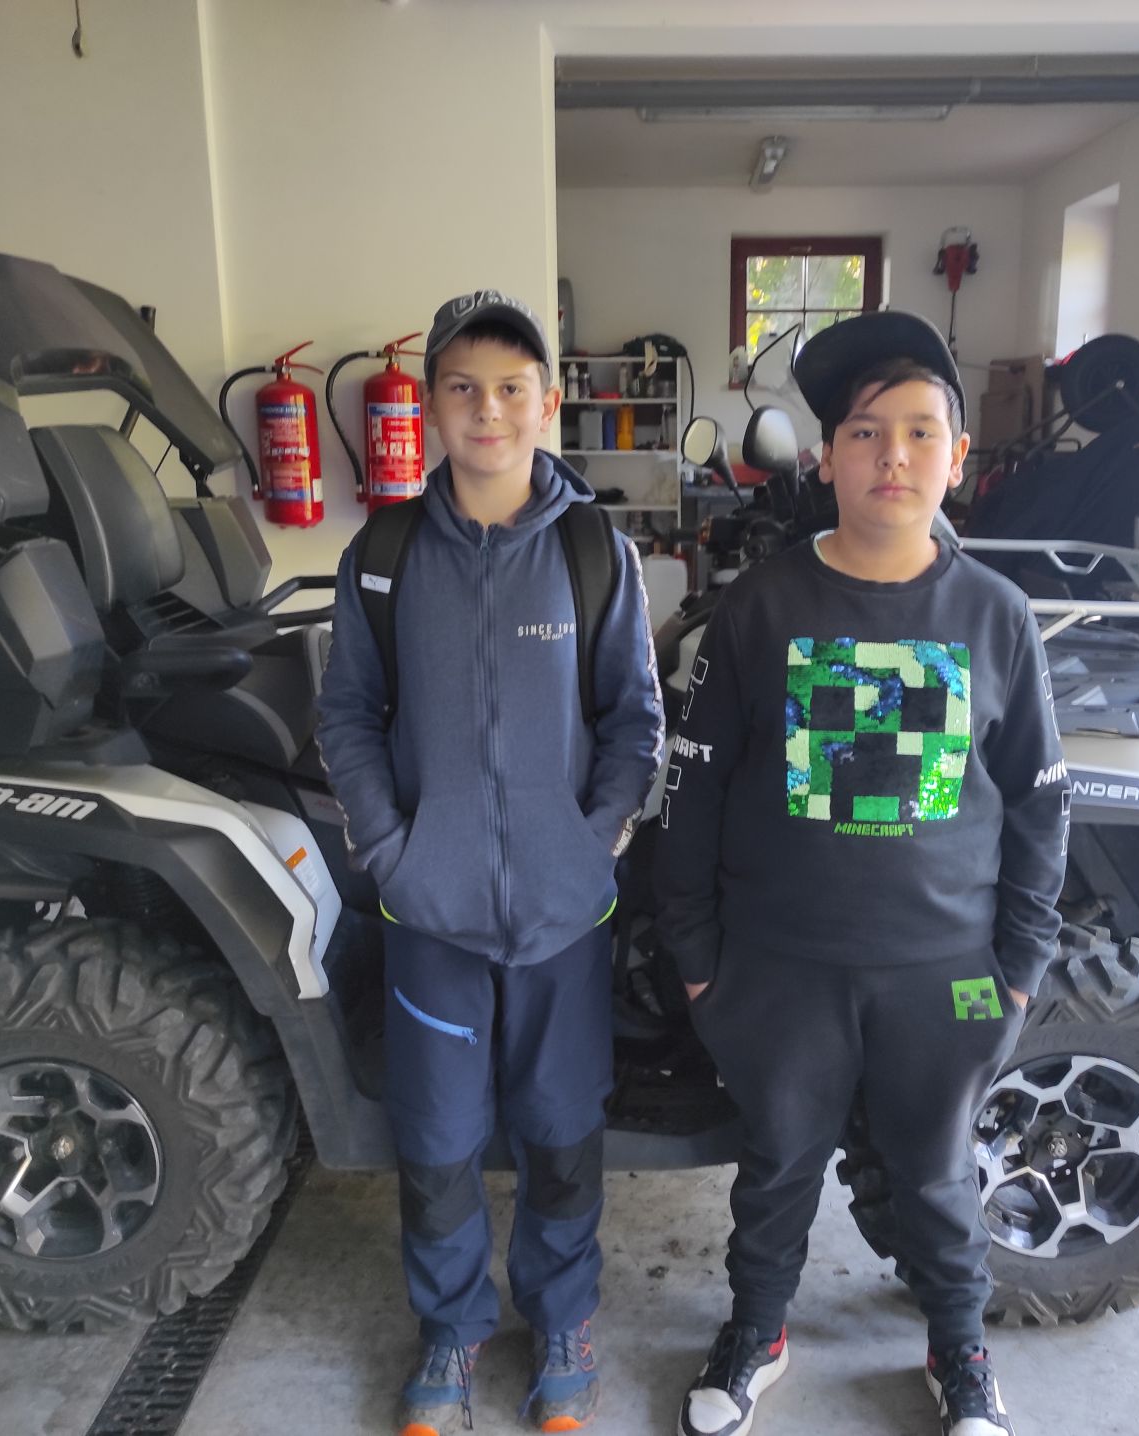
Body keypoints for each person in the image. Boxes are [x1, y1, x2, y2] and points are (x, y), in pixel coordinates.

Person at [655, 310, 1071, 1436]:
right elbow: (693, 791)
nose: (894, 455)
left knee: (937, 1175)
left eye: (921, 432)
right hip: (778, 969)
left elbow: (1039, 805)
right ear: (828, 457)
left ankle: (960, 1348)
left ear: (957, 457)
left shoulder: (996, 617)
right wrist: (698, 960)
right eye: (866, 432)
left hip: (945, 972)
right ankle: (758, 1328)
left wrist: (1019, 967)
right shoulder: (761, 607)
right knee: (776, 1165)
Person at [315, 290, 663, 1436]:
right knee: (437, 1138)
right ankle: (452, 1326)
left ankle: (563, 1320)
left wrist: (588, 842)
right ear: (432, 404)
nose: (489, 409)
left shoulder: (592, 551)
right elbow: (348, 715)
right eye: (463, 387)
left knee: (562, 1129)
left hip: (565, 916)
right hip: (430, 915)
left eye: (512, 388)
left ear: (547, 403)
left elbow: (635, 721)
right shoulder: (383, 555)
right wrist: (392, 851)